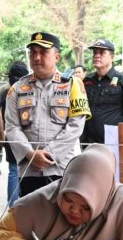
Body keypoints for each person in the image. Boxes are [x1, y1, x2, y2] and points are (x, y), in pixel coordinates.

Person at [6, 32, 90, 197]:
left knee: (60, 216)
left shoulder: (72, 85)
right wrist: (30, 154)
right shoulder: (17, 88)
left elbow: (75, 126)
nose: (37, 57)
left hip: (59, 167)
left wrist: (48, 154)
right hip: (28, 169)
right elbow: (12, 126)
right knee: (31, 217)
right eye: (33, 53)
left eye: (43, 52)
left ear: (57, 56)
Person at [81, 39, 123, 146]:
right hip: (87, 139)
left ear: (112, 57)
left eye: (102, 53)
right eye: (95, 53)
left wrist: (120, 132)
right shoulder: (87, 80)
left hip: (111, 140)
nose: (97, 56)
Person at [0, 61, 29, 206]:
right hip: (26, 137)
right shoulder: (28, 89)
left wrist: (1, 135)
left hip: (10, 135)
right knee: (23, 171)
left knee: (14, 171)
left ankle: (13, 207)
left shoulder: (5, 91)